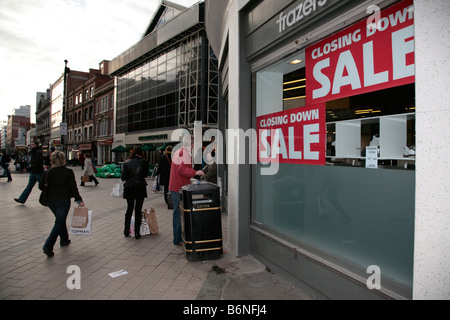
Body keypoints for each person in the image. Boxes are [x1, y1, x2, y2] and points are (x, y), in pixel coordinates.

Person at [39, 150, 84, 257]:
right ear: (63, 160)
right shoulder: (68, 172)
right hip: (63, 201)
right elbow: (73, 188)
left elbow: (41, 186)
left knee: (60, 220)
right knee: (59, 222)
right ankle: (48, 245)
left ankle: (64, 239)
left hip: (50, 201)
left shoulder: (47, 173)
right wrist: (79, 199)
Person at [169, 134, 204, 246]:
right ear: (191, 143)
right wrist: (195, 172)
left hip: (176, 186)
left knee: (178, 214)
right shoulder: (184, 154)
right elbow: (182, 169)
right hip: (178, 187)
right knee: (178, 214)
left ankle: (178, 237)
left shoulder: (180, 151)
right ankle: (178, 239)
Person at [121, 146, 149, 239]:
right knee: (138, 209)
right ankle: (137, 232)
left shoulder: (126, 163)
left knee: (129, 209)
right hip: (140, 187)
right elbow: (145, 174)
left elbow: (123, 177)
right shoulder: (144, 162)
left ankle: (126, 230)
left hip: (129, 187)